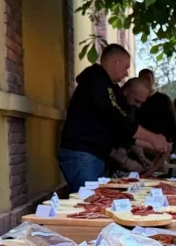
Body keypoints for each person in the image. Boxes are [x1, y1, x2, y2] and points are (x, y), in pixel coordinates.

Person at [57, 44, 169, 192]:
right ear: (115, 61)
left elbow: (117, 129)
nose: (127, 73)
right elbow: (117, 119)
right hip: (83, 154)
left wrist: (149, 143)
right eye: (126, 67)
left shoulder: (107, 85)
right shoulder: (96, 80)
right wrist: (153, 139)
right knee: (87, 204)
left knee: (95, 202)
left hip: (92, 155)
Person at [136, 69, 176, 151]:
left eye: (148, 78)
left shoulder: (164, 99)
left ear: (153, 80)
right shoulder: (137, 99)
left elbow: (173, 123)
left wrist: (174, 148)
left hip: (161, 145)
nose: (146, 81)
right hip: (141, 145)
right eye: (142, 78)